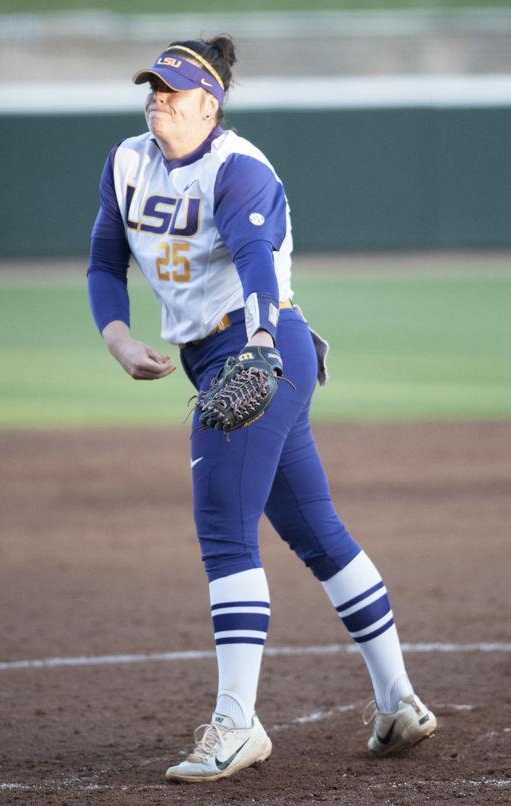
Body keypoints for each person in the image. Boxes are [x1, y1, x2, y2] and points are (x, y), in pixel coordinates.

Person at [86, 34, 436, 783]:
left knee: (222, 530)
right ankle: (399, 700)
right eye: (152, 87)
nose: (158, 99)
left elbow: (256, 265)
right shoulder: (127, 162)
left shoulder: (238, 168)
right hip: (216, 355)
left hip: (258, 352)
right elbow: (103, 260)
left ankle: (238, 723)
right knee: (316, 531)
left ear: (209, 105)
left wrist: (259, 348)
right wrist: (117, 338)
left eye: (174, 91)